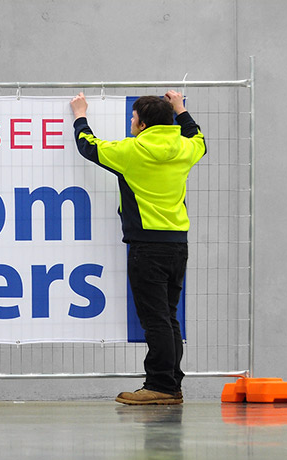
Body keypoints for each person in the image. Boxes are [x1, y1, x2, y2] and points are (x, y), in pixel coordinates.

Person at [70, 91, 205, 405]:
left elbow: (88, 146)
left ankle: (160, 385)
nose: (131, 122)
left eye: (133, 117)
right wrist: (181, 109)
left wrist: (80, 115)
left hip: (147, 246)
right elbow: (199, 138)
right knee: (168, 317)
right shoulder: (185, 147)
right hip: (177, 245)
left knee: (156, 319)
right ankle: (172, 384)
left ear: (142, 124)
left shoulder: (132, 151)